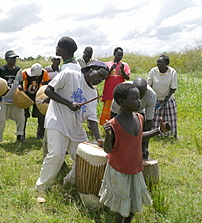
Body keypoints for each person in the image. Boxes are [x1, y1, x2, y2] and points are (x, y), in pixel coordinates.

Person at [35, 61, 109, 203]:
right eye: (99, 75)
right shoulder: (69, 74)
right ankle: (41, 188)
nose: (99, 80)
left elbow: (92, 118)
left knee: (84, 158)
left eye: (102, 79)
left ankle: (68, 182)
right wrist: (68, 103)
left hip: (75, 128)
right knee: (56, 155)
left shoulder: (93, 92)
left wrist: (99, 138)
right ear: (92, 68)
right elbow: (48, 91)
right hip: (57, 121)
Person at [99, 82, 171, 223]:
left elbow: (139, 136)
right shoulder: (113, 124)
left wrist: (159, 130)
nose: (139, 101)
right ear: (122, 102)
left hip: (135, 167)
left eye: (139, 98)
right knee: (121, 206)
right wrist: (107, 134)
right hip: (119, 169)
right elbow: (107, 149)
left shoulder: (139, 118)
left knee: (134, 199)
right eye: (135, 98)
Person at [110, 77, 157, 160]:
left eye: (141, 94)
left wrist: (144, 147)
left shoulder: (151, 95)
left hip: (139, 112)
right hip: (122, 112)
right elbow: (114, 114)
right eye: (136, 96)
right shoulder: (122, 91)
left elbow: (149, 120)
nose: (140, 99)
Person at [0, 50, 25, 145]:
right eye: (12, 58)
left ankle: (19, 136)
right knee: (1, 120)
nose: (14, 60)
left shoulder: (18, 70)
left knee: (21, 118)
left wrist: (20, 87)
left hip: (15, 100)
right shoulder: (0, 70)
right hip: (4, 99)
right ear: (6, 59)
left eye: (15, 58)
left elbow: (20, 82)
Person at [147, 54, 177, 138]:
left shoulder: (172, 72)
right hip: (155, 98)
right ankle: (155, 135)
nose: (158, 64)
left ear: (166, 63)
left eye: (160, 62)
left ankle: (172, 135)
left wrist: (165, 100)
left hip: (168, 99)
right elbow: (149, 85)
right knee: (155, 118)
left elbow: (173, 87)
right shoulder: (153, 71)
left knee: (170, 118)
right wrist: (154, 98)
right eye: (157, 62)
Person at [99, 47, 130, 125]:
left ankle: (117, 125)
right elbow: (103, 77)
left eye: (121, 55)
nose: (120, 57)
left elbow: (127, 77)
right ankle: (107, 126)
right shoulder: (107, 64)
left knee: (118, 110)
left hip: (119, 92)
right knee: (108, 111)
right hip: (109, 92)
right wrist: (110, 70)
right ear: (114, 54)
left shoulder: (125, 65)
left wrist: (122, 70)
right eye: (118, 55)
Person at [22, 63, 49, 139]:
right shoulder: (24, 73)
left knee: (41, 115)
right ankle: (22, 133)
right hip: (27, 95)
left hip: (38, 95)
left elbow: (46, 84)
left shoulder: (44, 73)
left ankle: (41, 134)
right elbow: (20, 83)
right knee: (24, 115)